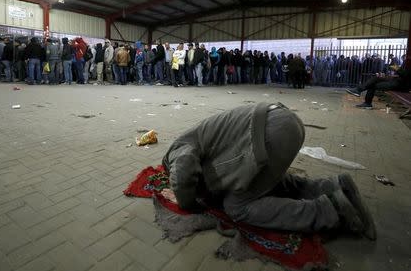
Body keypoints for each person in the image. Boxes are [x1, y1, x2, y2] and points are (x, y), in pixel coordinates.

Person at [160, 102, 376, 240]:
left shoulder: (177, 149)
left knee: (237, 206)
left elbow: (183, 171)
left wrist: (185, 201)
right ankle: (335, 185)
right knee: (262, 182)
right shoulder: (197, 136)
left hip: (269, 134)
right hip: (284, 121)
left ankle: (331, 210)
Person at [346, 61, 411, 109]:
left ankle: (367, 102)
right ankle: (359, 90)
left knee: (373, 85)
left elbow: (406, 75)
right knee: (377, 78)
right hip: (397, 81)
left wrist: (398, 69)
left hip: (401, 85)